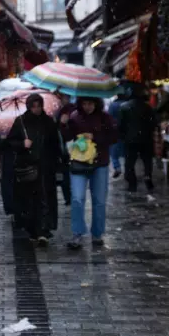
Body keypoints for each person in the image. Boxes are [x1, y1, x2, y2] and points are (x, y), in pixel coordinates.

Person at [60, 97, 118, 250]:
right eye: (84, 104)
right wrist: (63, 124)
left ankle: (97, 234)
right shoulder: (74, 117)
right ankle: (77, 233)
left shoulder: (105, 118)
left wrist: (95, 137)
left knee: (99, 200)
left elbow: (113, 137)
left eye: (90, 104)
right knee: (77, 198)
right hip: (79, 163)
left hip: (100, 163)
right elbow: (67, 137)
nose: (87, 107)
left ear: (96, 103)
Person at [7, 93, 63, 245]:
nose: (37, 109)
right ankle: (33, 229)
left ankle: (43, 230)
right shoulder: (21, 122)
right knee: (29, 200)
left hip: (46, 168)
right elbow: (10, 142)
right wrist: (22, 145)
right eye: (34, 106)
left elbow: (55, 144)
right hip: (28, 167)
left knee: (45, 198)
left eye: (39, 106)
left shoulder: (48, 122)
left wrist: (56, 162)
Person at [119, 83, 157, 192]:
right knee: (147, 161)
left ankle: (132, 183)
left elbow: (121, 125)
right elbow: (153, 123)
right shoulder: (148, 107)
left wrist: (122, 137)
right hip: (146, 139)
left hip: (130, 139)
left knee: (130, 162)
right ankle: (148, 177)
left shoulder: (124, 107)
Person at [55, 90, 75, 206]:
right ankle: (68, 197)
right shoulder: (56, 111)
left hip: (69, 147)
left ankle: (70, 196)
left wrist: (64, 124)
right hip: (61, 148)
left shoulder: (71, 110)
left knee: (67, 173)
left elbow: (69, 133)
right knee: (64, 174)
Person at [107, 93, 125, 178]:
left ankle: (117, 167)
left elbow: (108, 118)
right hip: (125, 131)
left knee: (113, 152)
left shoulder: (113, 105)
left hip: (115, 131)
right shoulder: (127, 104)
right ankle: (127, 169)